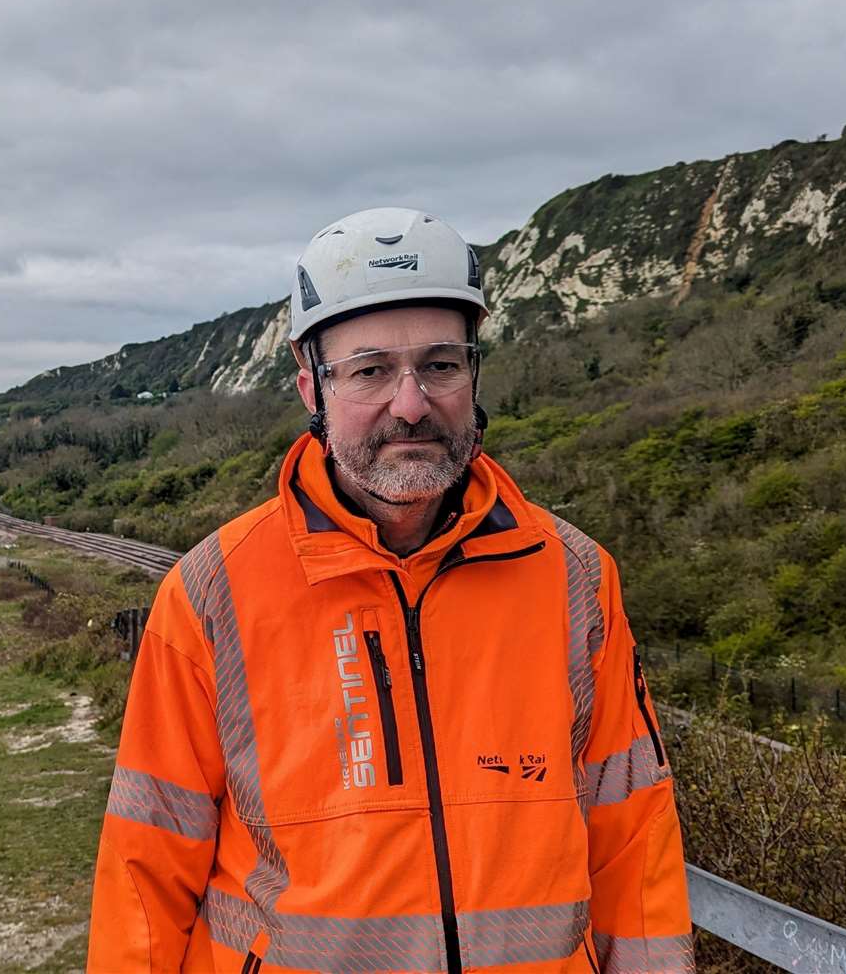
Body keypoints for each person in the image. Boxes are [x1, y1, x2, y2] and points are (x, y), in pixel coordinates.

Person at [86, 208, 693, 973]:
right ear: (313, 384)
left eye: (440, 365)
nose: (411, 404)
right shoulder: (213, 592)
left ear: (473, 375)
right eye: (369, 370)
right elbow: (148, 861)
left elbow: (633, 840)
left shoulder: (574, 578)